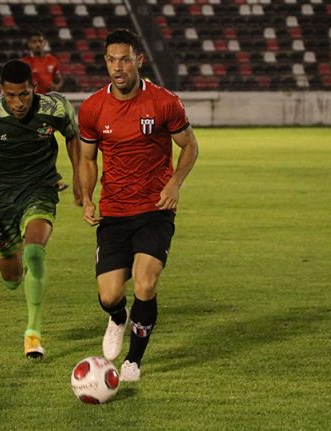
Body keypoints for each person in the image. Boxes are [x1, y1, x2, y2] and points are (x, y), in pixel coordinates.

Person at [78, 29, 199, 382]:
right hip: (114, 212)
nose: (118, 67)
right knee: (109, 295)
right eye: (111, 60)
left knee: (145, 284)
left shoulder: (164, 102)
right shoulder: (92, 107)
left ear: (139, 60)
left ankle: (133, 361)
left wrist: (175, 183)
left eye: (125, 60)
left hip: (154, 209)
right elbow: (87, 159)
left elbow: (190, 146)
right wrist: (87, 197)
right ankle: (118, 317)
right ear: (105, 62)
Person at [0, 60, 79, 360]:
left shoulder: (55, 108)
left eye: (24, 94)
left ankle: (33, 334)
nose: (18, 103)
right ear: (1, 90)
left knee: (35, 251)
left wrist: (79, 177)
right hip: (1, 199)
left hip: (40, 188)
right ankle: (24, 270)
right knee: (12, 280)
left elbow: (73, 136)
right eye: (11, 95)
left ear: (33, 88)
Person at [22, 32, 81, 205]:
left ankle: (69, 179)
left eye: (40, 41)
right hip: (34, 107)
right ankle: (50, 181)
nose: (37, 44)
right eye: (34, 41)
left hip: (51, 105)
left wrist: (56, 85)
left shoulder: (52, 61)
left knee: (53, 141)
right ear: (29, 44)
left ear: (44, 42)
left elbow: (58, 78)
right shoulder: (26, 62)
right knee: (40, 144)